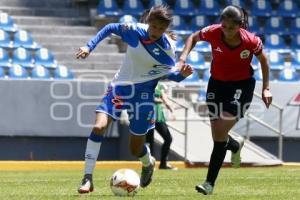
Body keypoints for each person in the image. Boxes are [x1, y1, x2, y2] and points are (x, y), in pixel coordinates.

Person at [75, 5, 193, 194]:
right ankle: (87, 178)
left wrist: (183, 76)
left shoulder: (167, 50)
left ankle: (147, 163)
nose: (156, 32)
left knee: (135, 148)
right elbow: (110, 28)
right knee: (98, 127)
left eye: (161, 29)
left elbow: (170, 75)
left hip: (144, 96)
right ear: (148, 23)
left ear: (165, 29)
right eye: (153, 27)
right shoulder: (134, 31)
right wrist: (89, 46)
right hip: (119, 88)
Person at [178, 5, 273, 195]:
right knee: (218, 135)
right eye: (224, 26)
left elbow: (264, 61)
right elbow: (193, 37)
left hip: (241, 86)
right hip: (216, 85)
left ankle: (209, 183)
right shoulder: (213, 32)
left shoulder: (250, 41)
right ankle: (234, 145)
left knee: (220, 129)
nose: (227, 31)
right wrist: (182, 58)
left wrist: (266, 88)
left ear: (240, 26)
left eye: (231, 27)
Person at [146, 83, 177, 170]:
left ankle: (163, 164)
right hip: (148, 116)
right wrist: (154, 100)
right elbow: (143, 97)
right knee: (149, 141)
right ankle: (149, 165)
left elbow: (165, 99)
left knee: (168, 138)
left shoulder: (159, 85)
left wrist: (172, 111)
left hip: (159, 117)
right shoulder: (146, 83)